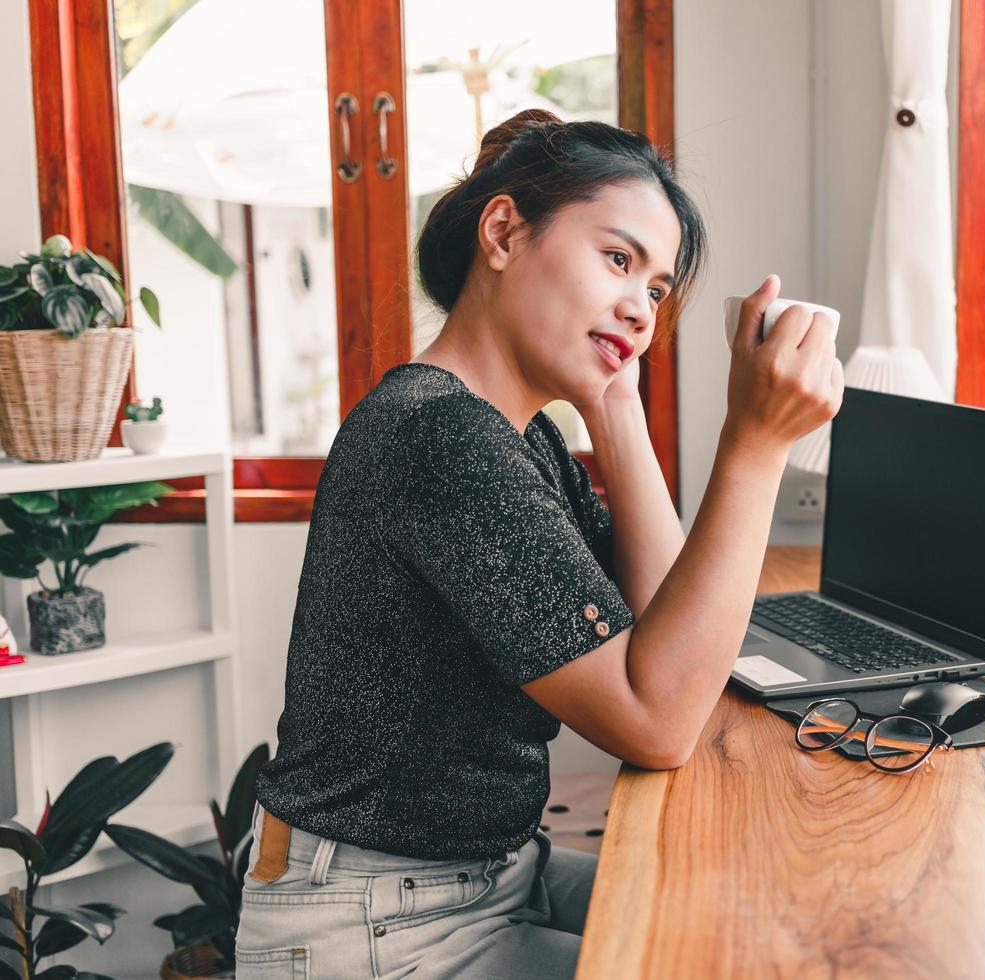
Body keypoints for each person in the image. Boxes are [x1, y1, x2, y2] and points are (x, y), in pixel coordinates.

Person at [232, 108, 842, 978]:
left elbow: (670, 630)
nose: (641, 308)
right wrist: (757, 446)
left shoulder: (518, 437)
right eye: (618, 259)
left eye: (659, 290)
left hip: (487, 876)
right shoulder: (438, 438)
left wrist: (615, 400)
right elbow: (659, 721)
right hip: (376, 921)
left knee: (754, 919)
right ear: (504, 231)